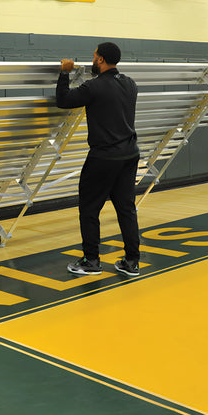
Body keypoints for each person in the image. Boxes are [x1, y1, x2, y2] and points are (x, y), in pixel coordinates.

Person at [56, 42, 141, 276]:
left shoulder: (93, 87)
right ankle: (132, 261)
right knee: (126, 209)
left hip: (103, 157)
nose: (93, 60)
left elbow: (63, 100)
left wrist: (65, 72)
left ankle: (91, 260)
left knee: (90, 209)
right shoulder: (130, 84)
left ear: (101, 60)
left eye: (94, 57)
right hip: (130, 154)